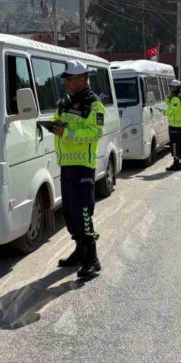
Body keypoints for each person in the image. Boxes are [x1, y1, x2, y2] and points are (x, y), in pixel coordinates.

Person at [52, 60, 105, 279]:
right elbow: (58, 122)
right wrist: (54, 126)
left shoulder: (94, 105)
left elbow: (94, 133)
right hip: (66, 165)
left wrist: (68, 134)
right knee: (69, 212)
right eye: (65, 80)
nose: (66, 84)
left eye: (70, 80)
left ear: (82, 80)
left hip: (83, 166)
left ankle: (92, 259)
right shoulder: (64, 103)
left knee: (83, 212)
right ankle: (79, 250)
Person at [163, 79, 181, 172]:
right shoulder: (180, 95)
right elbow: (170, 105)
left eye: (171, 86)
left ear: (176, 87)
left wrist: (164, 111)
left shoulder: (176, 98)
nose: (170, 88)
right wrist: (168, 99)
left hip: (174, 125)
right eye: (170, 86)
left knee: (174, 145)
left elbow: (172, 110)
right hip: (179, 124)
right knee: (180, 145)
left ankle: (176, 164)